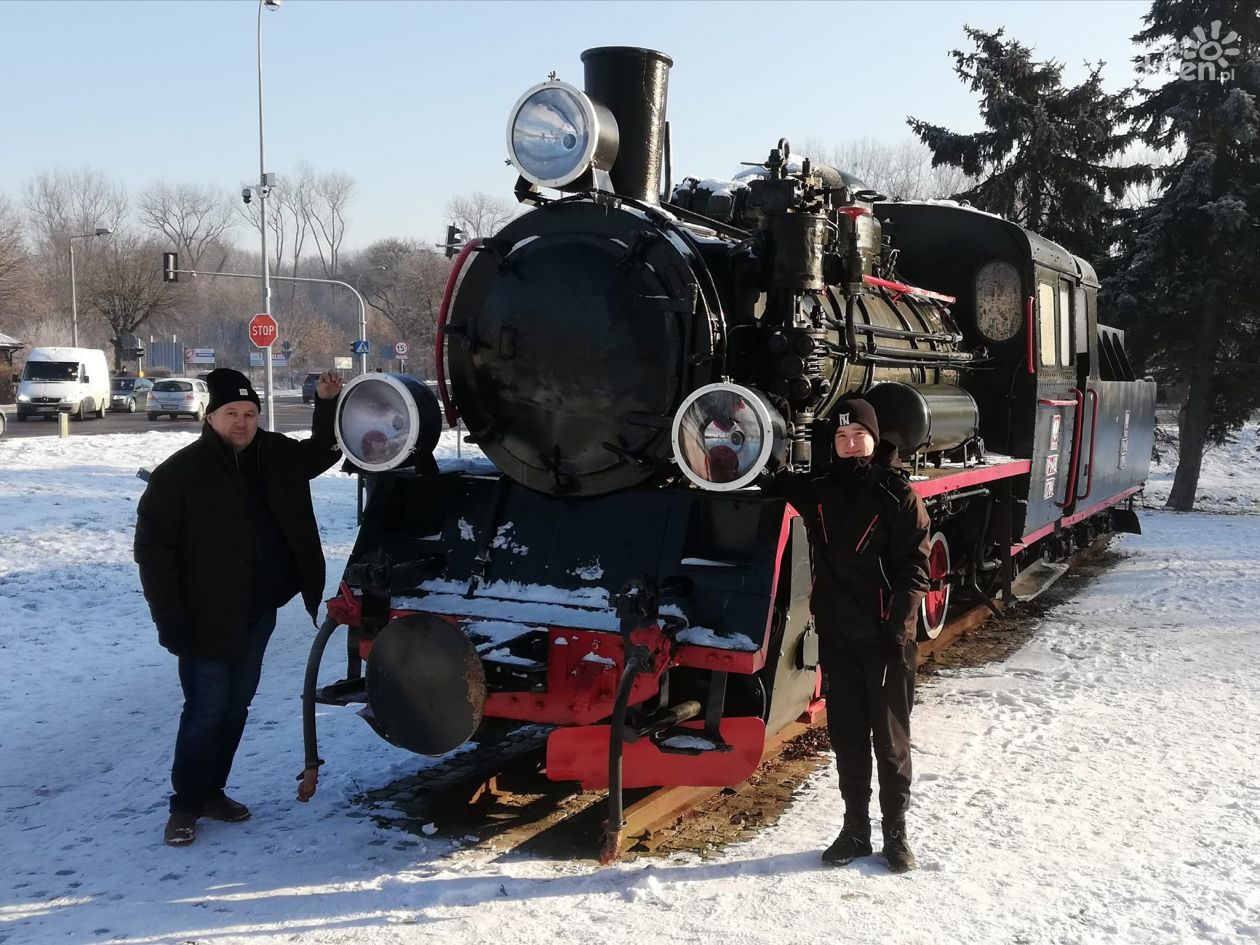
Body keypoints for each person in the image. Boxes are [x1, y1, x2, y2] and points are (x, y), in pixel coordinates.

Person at [134, 367, 344, 847]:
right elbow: (153, 552)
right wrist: (169, 620)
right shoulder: (179, 475)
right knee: (206, 708)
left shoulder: (276, 456)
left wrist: (327, 403)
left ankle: (213, 792)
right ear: (211, 418)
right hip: (202, 615)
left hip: (257, 611)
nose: (243, 422)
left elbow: (324, 453)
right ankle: (185, 805)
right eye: (232, 413)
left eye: (250, 413)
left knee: (236, 705)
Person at [780, 397, 930, 873]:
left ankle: (896, 835)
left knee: (889, 742)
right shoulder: (820, 489)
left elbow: (915, 570)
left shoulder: (897, 495)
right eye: (841, 438)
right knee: (847, 737)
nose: (849, 445)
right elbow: (772, 483)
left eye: (857, 437)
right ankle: (855, 830)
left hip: (887, 639)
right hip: (839, 635)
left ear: (873, 436)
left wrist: (899, 629)